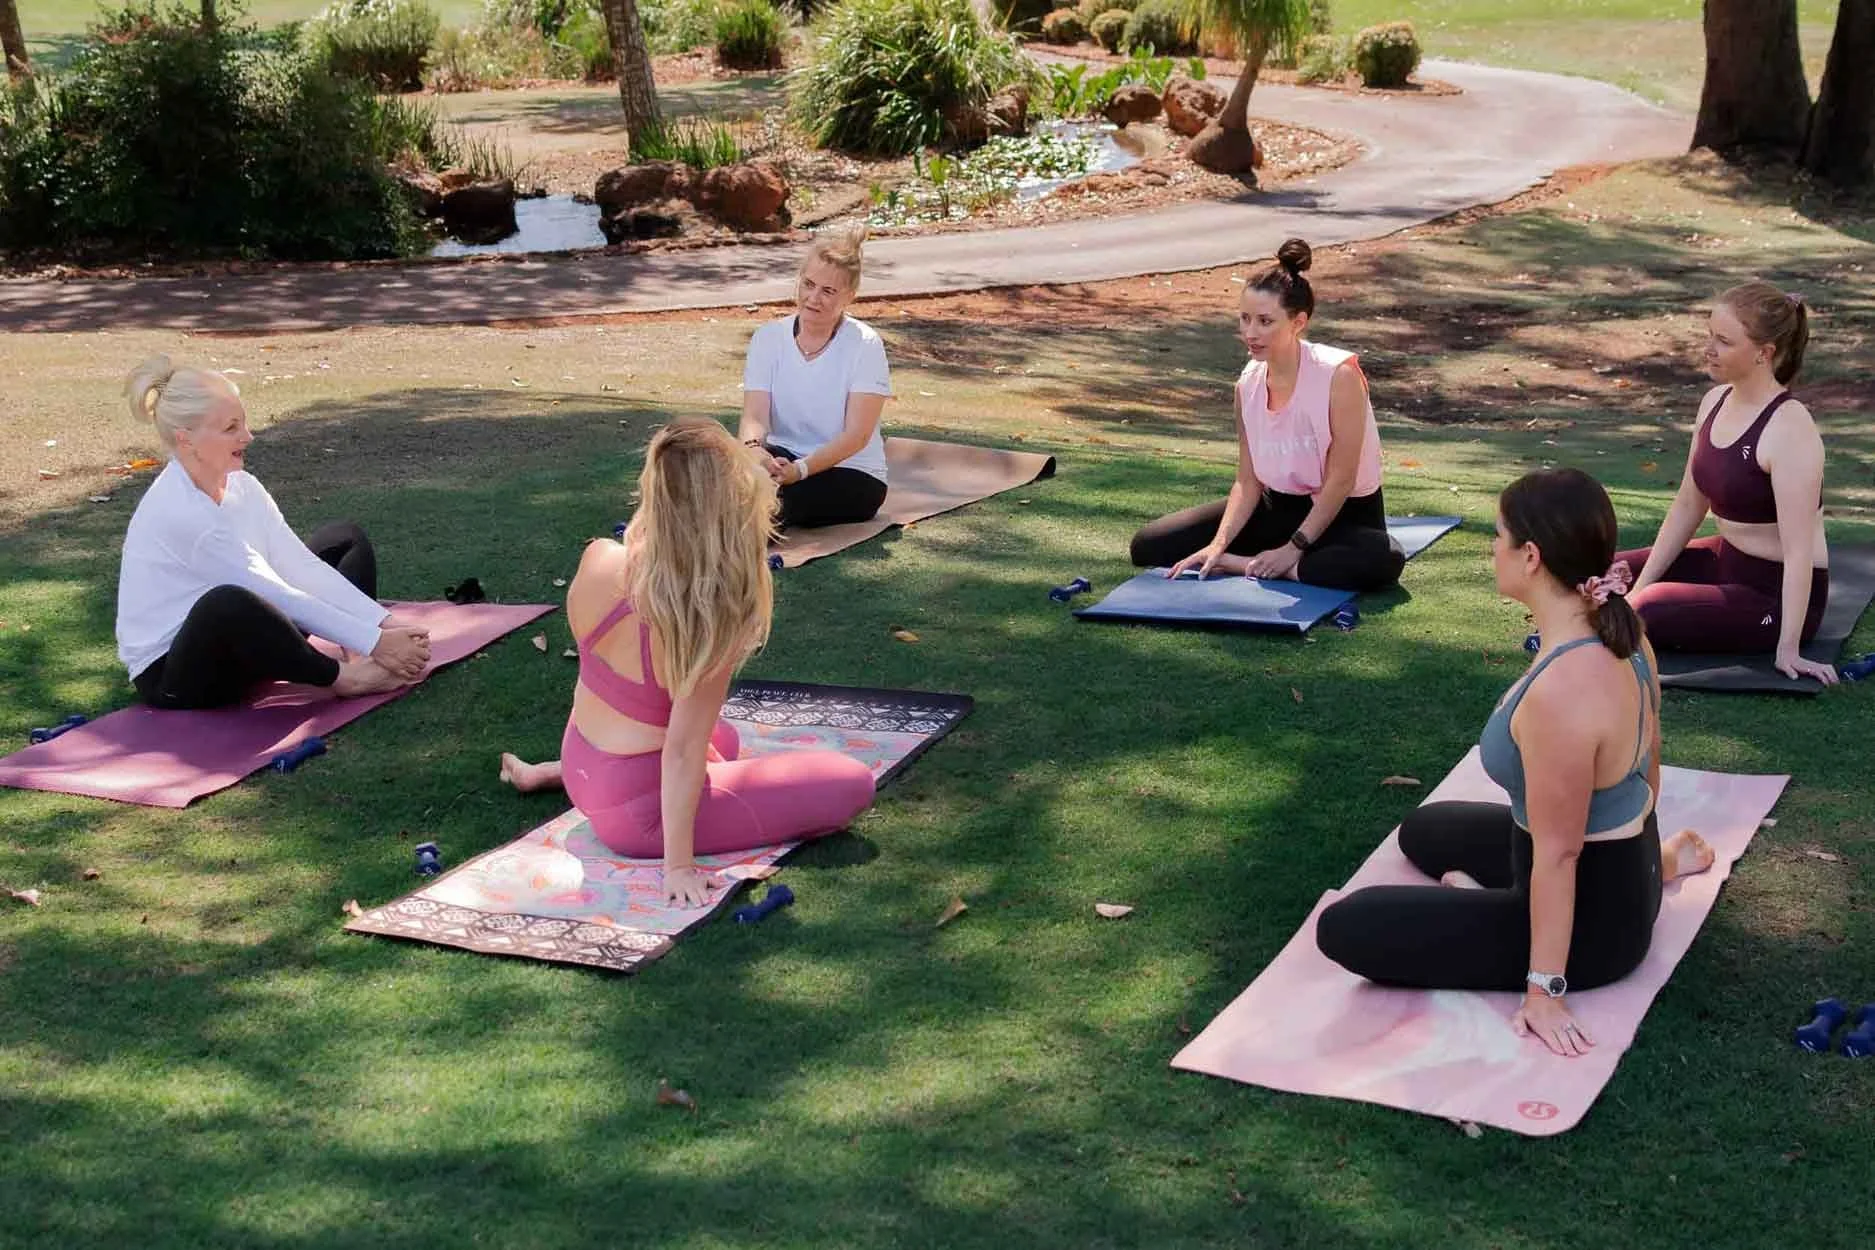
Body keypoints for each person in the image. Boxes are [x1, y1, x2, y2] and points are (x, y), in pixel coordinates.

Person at [1315, 469, 1716, 1058]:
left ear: (1531, 556)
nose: (1490, 546)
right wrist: (1647, 861)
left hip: (1593, 931)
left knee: (1345, 926)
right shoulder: (1623, 633)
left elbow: (1560, 854)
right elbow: (1648, 765)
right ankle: (1659, 865)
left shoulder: (1564, 691)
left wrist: (1545, 989)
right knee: (1423, 830)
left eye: (1498, 535)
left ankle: (1510, 910)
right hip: (1628, 875)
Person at [499, 418, 876, 906]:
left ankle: (549, 774)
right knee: (848, 783)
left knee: (725, 737)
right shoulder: (706, 615)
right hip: (636, 814)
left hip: (583, 763)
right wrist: (678, 866)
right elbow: (680, 751)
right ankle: (631, 816)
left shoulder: (601, 558)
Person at [114, 356, 430, 710]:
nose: (247, 436)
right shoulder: (182, 513)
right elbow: (273, 593)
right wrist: (379, 642)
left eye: (243, 424)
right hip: (179, 675)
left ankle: (356, 655)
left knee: (344, 540)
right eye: (231, 428)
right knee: (228, 602)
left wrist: (384, 625)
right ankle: (346, 678)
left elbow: (296, 564)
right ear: (185, 440)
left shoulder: (241, 485)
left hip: (249, 641)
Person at [1130, 238, 1405, 591]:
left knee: (1384, 558)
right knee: (1149, 545)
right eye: (1245, 319)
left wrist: (1292, 550)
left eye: (1264, 321)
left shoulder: (1340, 376)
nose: (1250, 333)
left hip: (1344, 519)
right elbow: (1248, 481)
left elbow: (1341, 479)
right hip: (1277, 512)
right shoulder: (1247, 384)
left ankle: (1250, 565)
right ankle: (1265, 561)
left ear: (1298, 322)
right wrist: (1218, 544)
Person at [1616, 282, 1835, 683]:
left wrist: (1789, 648)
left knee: (1648, 610)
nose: (1709, 349)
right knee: (1611, 572)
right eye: (1709, 336)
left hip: (1772, 595)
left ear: (1763, 354)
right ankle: (1613, 609)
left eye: (1724, 341)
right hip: (1725, 561)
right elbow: (1687, 506)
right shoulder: (1713, 403)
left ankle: (1604, 619)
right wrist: (1637, 584)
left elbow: (1800, 551)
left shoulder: (1789, 428)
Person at [737, 224, 893, 530]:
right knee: (722, 479)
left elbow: (857, 437)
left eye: (828, 291)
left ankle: (724, 548)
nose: (813, 298)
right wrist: (754, 450)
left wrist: (801, 470)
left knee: (769, 502)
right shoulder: (768, 338)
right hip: (782, 460)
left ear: (850, 296)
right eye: (808, 285)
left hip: (852, 473)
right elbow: (754, 415)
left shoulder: (866, 344)